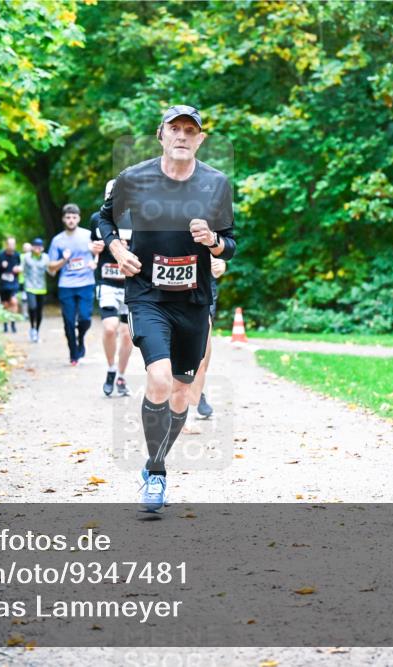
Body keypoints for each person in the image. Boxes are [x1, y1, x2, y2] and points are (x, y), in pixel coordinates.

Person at [97, 104, 236, 512]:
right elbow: (102, 221)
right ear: (161, 135)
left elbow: (230, 242)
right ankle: (156, 475)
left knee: (182, 392)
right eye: (174, 129)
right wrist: (119, 249)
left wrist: (212, 242)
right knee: (158, 379)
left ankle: (155, 461)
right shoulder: (134, 178)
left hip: (194, 299)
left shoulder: (216, 183)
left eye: (189, 130)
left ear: (200, 139)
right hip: (147, 293)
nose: (181, 136)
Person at [90, 179, 134, 397]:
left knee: (127, 335)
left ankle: (122, 376)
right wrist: (94, 248)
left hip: (130, 285)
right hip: (106, 281)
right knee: (109, 328)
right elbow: (92, 248)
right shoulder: (96, 219)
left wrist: (129, 248)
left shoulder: (135, 220)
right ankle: (110, 368)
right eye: (110, 193)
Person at [47, 203, 96, 365]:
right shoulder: (57, 240)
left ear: (79, 218)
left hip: (86, 283)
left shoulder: (89, 235)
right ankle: (73, 354)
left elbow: (101, 253)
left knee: (85, 319)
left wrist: (95, 260)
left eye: (74, 217)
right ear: (63, 219)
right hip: (66, 285)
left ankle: (80, 338)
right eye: (68, 217)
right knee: (68, 321)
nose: (71, 220)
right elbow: (51, 267)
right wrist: (64, 260)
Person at [182, 256, 226, 435]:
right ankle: (178, 395)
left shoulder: (212, 226)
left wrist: (221, 262)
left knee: (202, 342)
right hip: (172, 282)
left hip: (204, 284)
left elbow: (223, 243)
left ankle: (190, 408)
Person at [22, 237, 49, 342]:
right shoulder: (26, 257)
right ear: (32, 247)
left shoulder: (46, 257)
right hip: (30, 287)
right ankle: (32, 328)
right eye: (35, 246)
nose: (37, 248)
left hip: (41, 288)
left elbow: (50, 271)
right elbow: (22, 269)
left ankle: (36, 331)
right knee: (32, 307)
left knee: (39, 311)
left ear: (42, 248)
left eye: (39, 246)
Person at [0, 236, 21, 333]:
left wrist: (18, 269)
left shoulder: (17, 255)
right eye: (10, 244)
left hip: (13, 282)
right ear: (6, 245)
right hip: (3, 284)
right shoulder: (0, 256)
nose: (11, 246)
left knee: (14, 302)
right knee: (5, 304)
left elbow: (21, 266)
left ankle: (13, 324)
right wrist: (1, 266)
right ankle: (5, 325)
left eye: (13, 244)